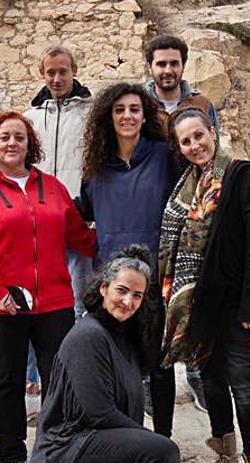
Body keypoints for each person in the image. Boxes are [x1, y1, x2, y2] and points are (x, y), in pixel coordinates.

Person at [0, 110, 96, 463]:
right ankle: (12, 455)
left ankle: (52, 449)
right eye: (4, 138)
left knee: (59, 378)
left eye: (19, 136)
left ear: (29, 144)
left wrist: (118, 246)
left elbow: (79, 236)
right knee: (8, 378)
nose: (12, 143)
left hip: (53, 300)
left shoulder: (52, 188)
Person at [159, 108, 250, 463]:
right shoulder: (185, 188)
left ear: (213, 132)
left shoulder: (241, 176)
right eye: (186, 141)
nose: (194, 146)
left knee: (243, 384)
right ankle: (225, 458)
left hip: (236, 305)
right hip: (197, 307)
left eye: (199, 136)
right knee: (212, 383)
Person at [29, 245, 185, 463]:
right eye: (121, 291)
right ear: (104, 288)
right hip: (67, 452)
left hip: (105, 449)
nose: (128, 301)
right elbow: (99, 414)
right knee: (164, 453)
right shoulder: (88, 336)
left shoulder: (128, 336)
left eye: (137, 295)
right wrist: (150, 444)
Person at [76, 82, 182, 438]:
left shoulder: (163, 156)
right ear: (109, 116)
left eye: (134, 109)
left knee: (160, 366)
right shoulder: (96, 166)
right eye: (119, 109)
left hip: (155, 278)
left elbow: (201, 179)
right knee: (120, 367)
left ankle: (163, 442)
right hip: (112, 281)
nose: (127, 116)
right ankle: (127, 441)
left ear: (144, 114)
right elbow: (82, 211)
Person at [144, 34, 222, 415]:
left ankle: (196, 371)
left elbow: (215, 147)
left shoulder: (201, 103)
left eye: (174, 63)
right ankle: (154, 377)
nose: (168, 70)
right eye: (161, 63)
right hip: (158, 204)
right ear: (151, 67)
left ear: (182, 65)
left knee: (194, 290)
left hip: (197, 204)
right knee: (159, 295)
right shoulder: (141, 104)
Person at [22, 45, 95, 420]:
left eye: (63, 72)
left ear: (74, 70)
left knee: (80, 302)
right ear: (42, 73)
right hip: (36, 223)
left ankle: (78, 381)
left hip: (77, 219)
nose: (56, 79)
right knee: (34, 301)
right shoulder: (31, 116)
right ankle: (33, 383)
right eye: (50, 72)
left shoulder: (92, 113)